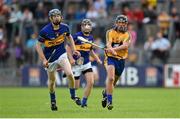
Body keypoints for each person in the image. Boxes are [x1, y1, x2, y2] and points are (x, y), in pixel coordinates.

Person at [35, 9, 81, 111]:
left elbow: (69, 37)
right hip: (49, 58)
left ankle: (73, 96)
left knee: (69, 73)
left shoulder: (65, 27)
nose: (57, 17)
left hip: (61, 54)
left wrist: (74, 50)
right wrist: (43, 59)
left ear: (61, 17)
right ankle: (53, 101)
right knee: (52, 82)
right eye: (54, 16)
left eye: (58, 16)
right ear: (51, 18)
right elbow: (38, 45)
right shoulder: (45, 31)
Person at [65, 19, 102, 108]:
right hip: (76, 65)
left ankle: (84, 103)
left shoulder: (91, 38)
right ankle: (73, 95)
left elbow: (90, 51)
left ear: (91, 27)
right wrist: (70, 59)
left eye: (88, 25)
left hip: (86, 63)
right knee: (76, 87)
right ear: (81, 27)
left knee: (91, 82)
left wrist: (97, 59)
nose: (86, 27)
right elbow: (67, 47)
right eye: (84, 25)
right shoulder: (76, 36)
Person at [101, 15, 131, 110]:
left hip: (121, 60)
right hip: (110, 58)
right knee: (111, 78)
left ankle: (105, 93)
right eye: (119, 22)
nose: (121, 24)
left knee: (113, 83)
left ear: (126, 24)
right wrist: (110, 49)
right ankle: (110, 102)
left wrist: (114, 49)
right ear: (116, 23)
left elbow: (125, 46)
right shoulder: (110, 32)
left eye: (123, 23)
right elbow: (108, 44)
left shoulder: (127, 34)